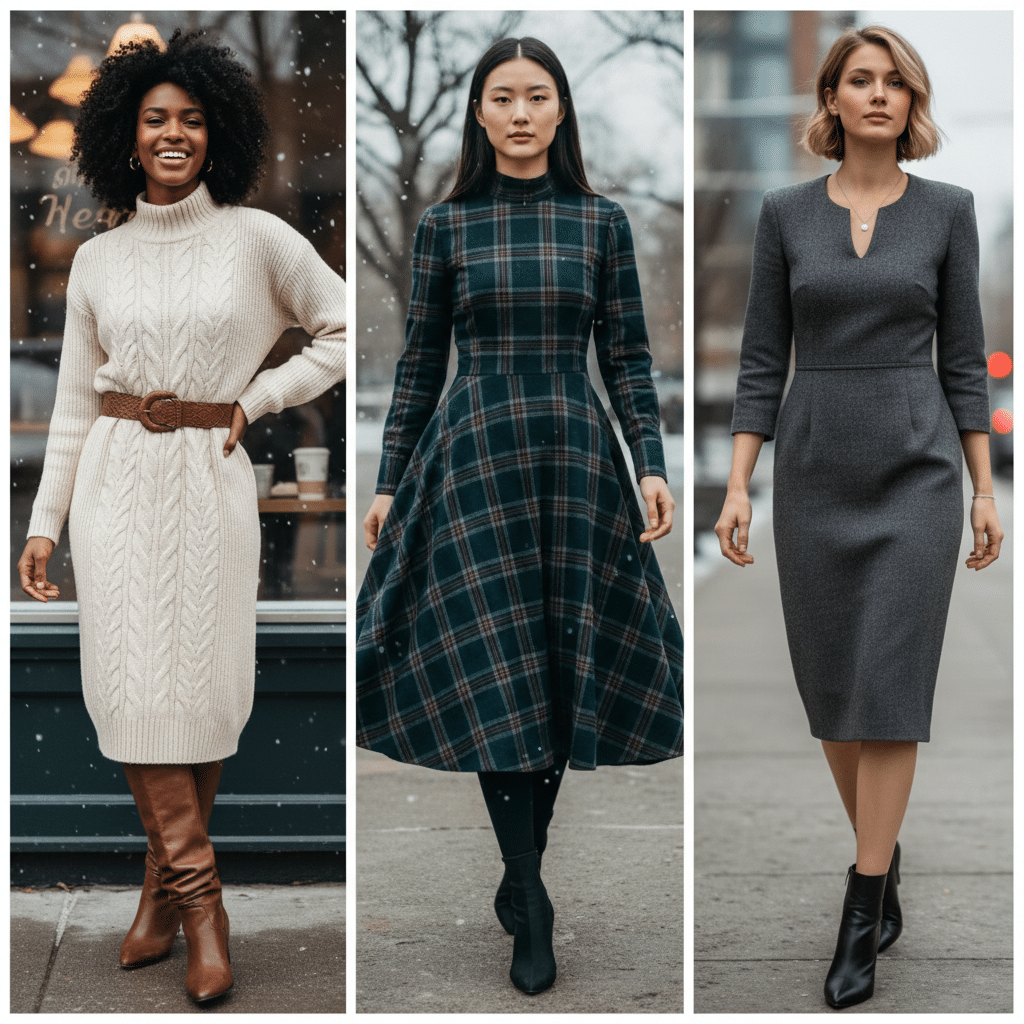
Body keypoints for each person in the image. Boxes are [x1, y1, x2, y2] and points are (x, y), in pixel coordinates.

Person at [16, 30, 346, 1004]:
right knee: (134, 692)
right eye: (155, 118)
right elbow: (75, 404)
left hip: (208, 482)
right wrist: (43, 524)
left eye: (190, 119)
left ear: (217, 132)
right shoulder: (98, 261)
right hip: (117, 488)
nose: (173, 133)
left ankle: (163, 892)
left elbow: (337, 330)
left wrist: (256, 400)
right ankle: (202, 904)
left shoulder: (257, 239)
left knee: (193, 699)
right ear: (126, 133)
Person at [356, 37, 684, 995]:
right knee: (501, 671)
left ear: (561, 111)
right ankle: (532, 897)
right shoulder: (446, 225)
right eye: (502, 97)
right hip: (475, 458)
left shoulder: (602, 222)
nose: (521, 113)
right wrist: (386, 480)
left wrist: (652, 466)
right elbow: (420, 365)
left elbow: (627, 358)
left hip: (577, 458)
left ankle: (517, 870)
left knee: (553, 670)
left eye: (538, 96)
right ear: (481, 114)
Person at [713, 25, 1002, 1010]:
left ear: (908, 102)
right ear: (830, 100)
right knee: (835, 693)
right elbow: (760, 361)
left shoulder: (950, 213)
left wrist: (981, 486)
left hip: (917, 474)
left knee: (888, 687)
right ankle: (882, 854)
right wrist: (738, 483)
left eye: (893, 83)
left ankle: (861, 899)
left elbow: (964, 362)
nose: (876, 95)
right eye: (857, 81)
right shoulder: (784, 214)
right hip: (814, 471)